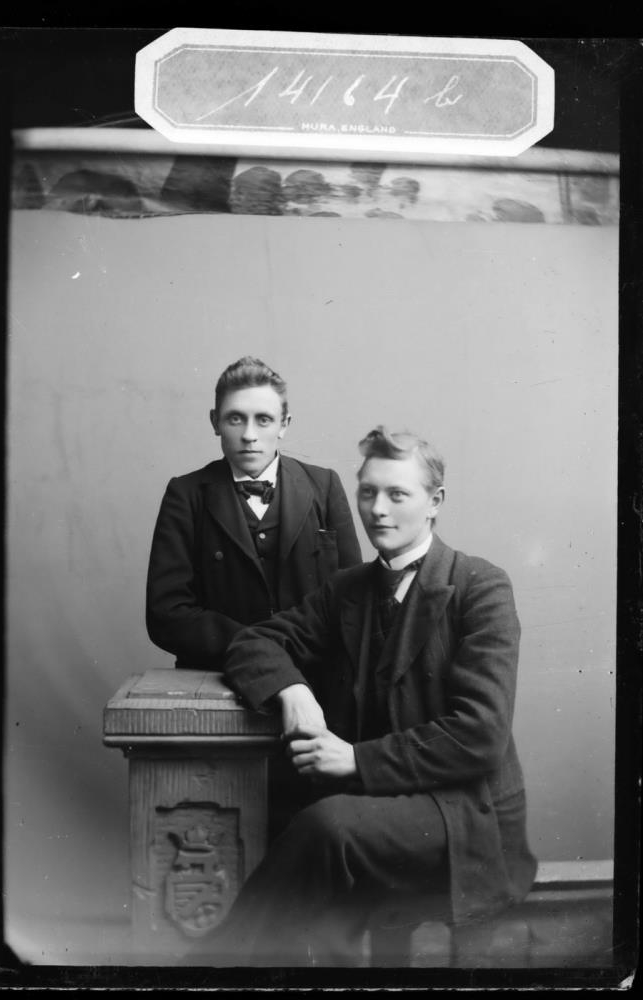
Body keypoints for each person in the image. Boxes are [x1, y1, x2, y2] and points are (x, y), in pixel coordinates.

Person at [202, 425, 537, 967]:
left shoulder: (480, 586)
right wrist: (292, 690)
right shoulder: (347, 590)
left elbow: (480, 735)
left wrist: (356, 759)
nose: (378, 510)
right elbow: (253, 643)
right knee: (296, 816)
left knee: (326, 827)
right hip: (383, 802)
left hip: (465, 811)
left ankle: (214, 969)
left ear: (435, 502)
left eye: (397, 494)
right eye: (368, 492)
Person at [146, 356, 362, 671]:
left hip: (313, 678)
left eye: (263, 419)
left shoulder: (324, 486)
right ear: (215, 422)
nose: (249, 435)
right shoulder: (186, 494)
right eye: (235, 419)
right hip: (219, 673)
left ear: (284, 424)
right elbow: (166, 613)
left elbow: (354, 599)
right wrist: (257, 648)